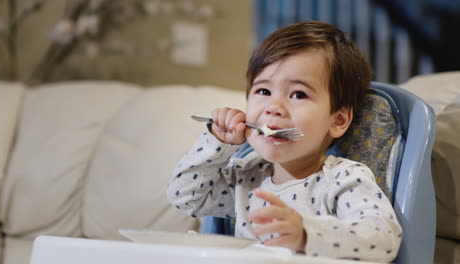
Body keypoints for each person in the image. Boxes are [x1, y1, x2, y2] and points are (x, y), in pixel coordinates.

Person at [167, 21, 402, 262]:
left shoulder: (345, 179)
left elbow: (383, 240)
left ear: (338, 120)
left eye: (298, 94)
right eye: (263, 92)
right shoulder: (245, 178)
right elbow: (184, 197)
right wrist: (217, 142)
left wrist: (306, 234)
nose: (274, 108)